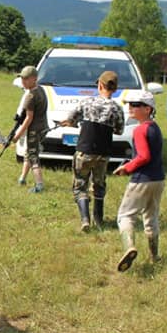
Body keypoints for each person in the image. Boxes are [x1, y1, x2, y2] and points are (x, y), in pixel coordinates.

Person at [61, 70, 125, 232]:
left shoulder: (87, 102)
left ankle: (85, 220)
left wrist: (69, 123)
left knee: (80, 185)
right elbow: (119, 131)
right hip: (103, 154)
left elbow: (71, 119)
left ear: (100, 85)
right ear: (115, 89)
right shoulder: (117, 108)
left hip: (84, 151)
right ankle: (99, 220)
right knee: (99, 185)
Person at [113, 90, 165, 271]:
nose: (130, 108)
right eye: (129, 104)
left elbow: (143, 156)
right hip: (158, 179)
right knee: (151, 218)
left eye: (135, 105)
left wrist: (126, 168)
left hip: (142, 179)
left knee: (125, 216)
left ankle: (129, 248)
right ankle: (154, 256)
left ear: (148, 109)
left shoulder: (140, 129)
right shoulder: (155, 127)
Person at [12, 65, 48, 193]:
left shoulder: (30, 96)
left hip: (34, 130)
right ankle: (22, 178)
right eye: (22, 79)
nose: (23, 82)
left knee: (33, 157)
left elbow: (28, 118)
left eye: (26, 79)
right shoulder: (42, 90)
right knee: (29, 152)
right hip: (43, 127)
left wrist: (17, 135)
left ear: (34, 79)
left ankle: (39, 184)